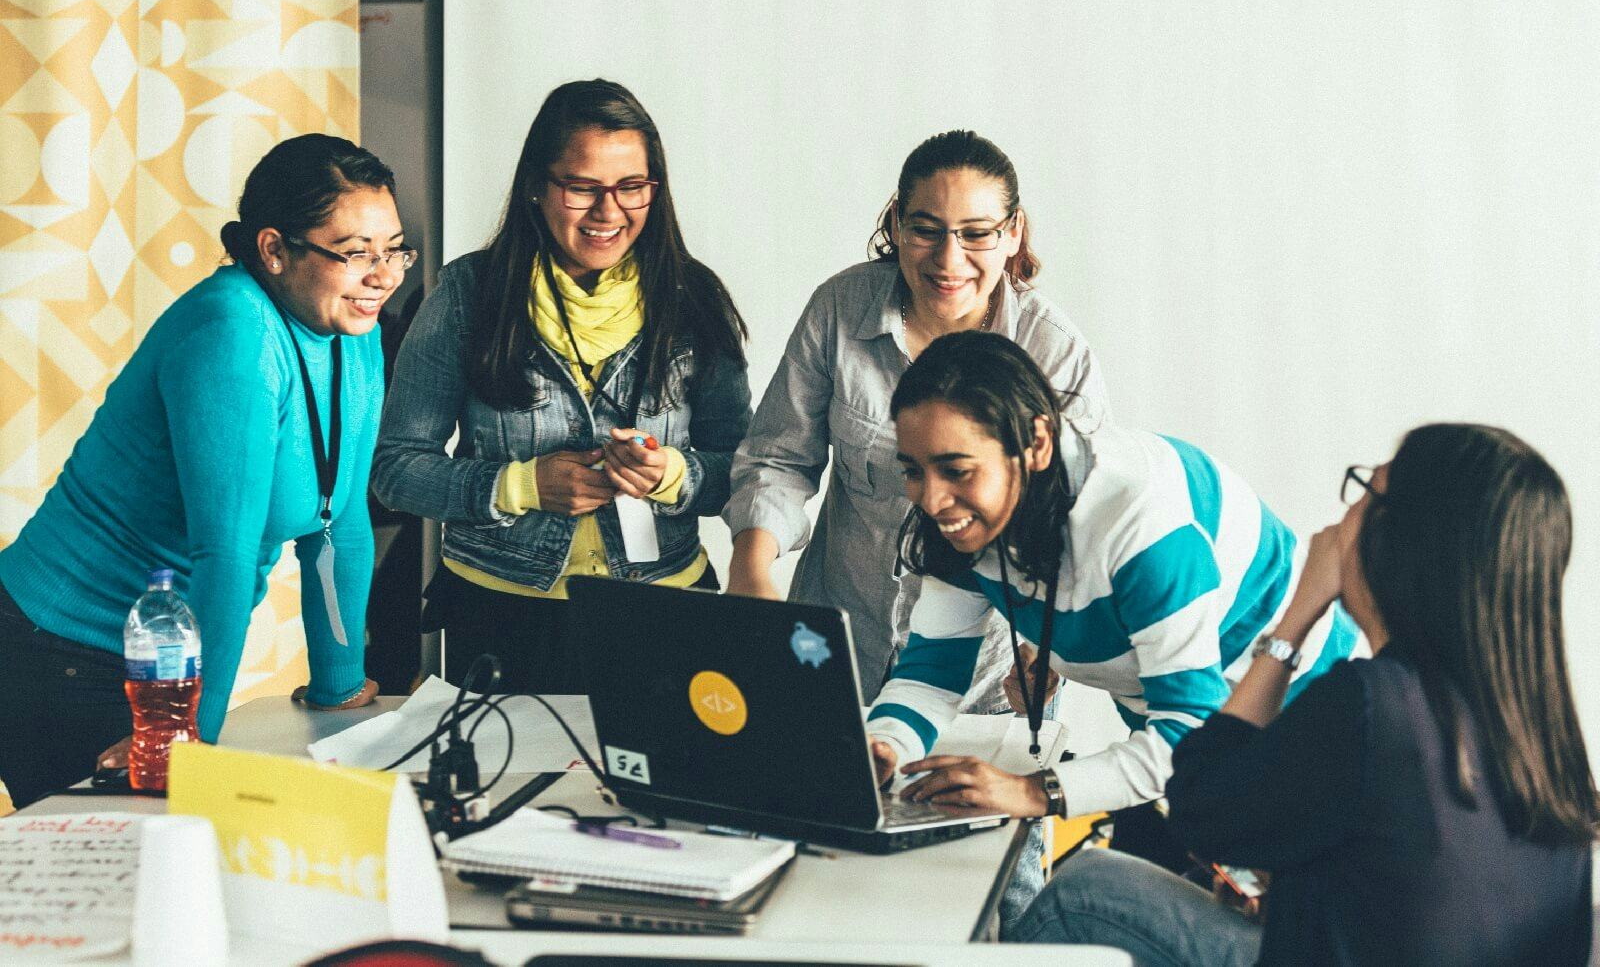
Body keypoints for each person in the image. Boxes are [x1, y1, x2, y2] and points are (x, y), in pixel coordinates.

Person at [1012, 423, 1596, 965]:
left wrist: (1296, 619)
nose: (1342, 520)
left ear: (1409, 543)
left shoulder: (1372, 704)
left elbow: (1197, 805)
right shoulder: (1544, 736)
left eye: (1366, 492)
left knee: (1086, 890)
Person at [0, 135, 400, 808]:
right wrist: (186, 735)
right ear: (274, 250)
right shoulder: (231, 330)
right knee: (130, 881)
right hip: (63, 653)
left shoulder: (350, 331)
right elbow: (225, 553)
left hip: (158, 659)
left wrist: (339, 682)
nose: (383, 275)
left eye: (393, 249)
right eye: (356, 252)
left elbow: (338, 524)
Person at [864, 333, 1362, 860]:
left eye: (957, 471)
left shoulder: (1143, 524)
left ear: (1036, 443)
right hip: (1190, 746)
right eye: (913, 471)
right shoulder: (970, 520)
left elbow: (1190, 735)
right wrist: (882, 746)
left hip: (1310, 726)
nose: (933, 500)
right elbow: (930, 672)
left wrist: (1032, 791)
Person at [372, 79, 751, 693]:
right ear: (536, 187)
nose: (609, 212)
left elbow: (748, 470)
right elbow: (394, 468)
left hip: (663, 610)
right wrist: (518, 485)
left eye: (632, 187)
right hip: (500, 614)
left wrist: (673, 475)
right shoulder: (469, 294)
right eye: (582, 187)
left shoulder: (694, 300)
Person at [724, 130, 1110, 713]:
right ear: (897, 224)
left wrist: (1043, 649)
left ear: (1013, 234)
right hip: (832, 653)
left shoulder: (1055, 353)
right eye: (926, 229)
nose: (949, 259)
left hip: (981, 683)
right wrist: (750, 573)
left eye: (977, 234)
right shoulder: (840, 308)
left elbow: (1078, 524)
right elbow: (779, 458)